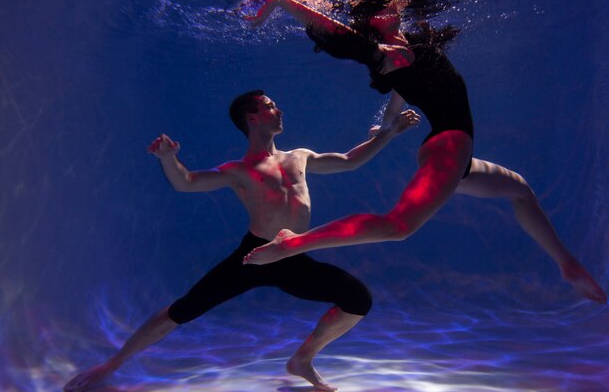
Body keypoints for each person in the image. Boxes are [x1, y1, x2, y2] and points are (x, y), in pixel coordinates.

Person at [240, 0, 607, 305]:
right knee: (399, 226)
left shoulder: (403, 58)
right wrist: (281, 1)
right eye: (383, 8)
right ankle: (293, 243)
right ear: (371, 23)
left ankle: (567, 264)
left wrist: (383, 129)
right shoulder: (395, 55)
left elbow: (393, 104)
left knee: (520, 190)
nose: (393, 7)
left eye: (393, 5)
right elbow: (339, 37)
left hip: (451, 154)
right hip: (449, 146)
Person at [63, 90, 421, 392]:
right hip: (252, 256)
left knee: (358, 300)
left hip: (293, 254)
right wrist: (169, 159)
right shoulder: (239, 171)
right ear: (252, 118)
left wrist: (388, 134)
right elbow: (186, 182)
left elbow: (348, 161)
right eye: (269, 106)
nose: (278, 110)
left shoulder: (300, 156)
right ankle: (109, 367)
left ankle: (303, 360)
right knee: (183, 309)